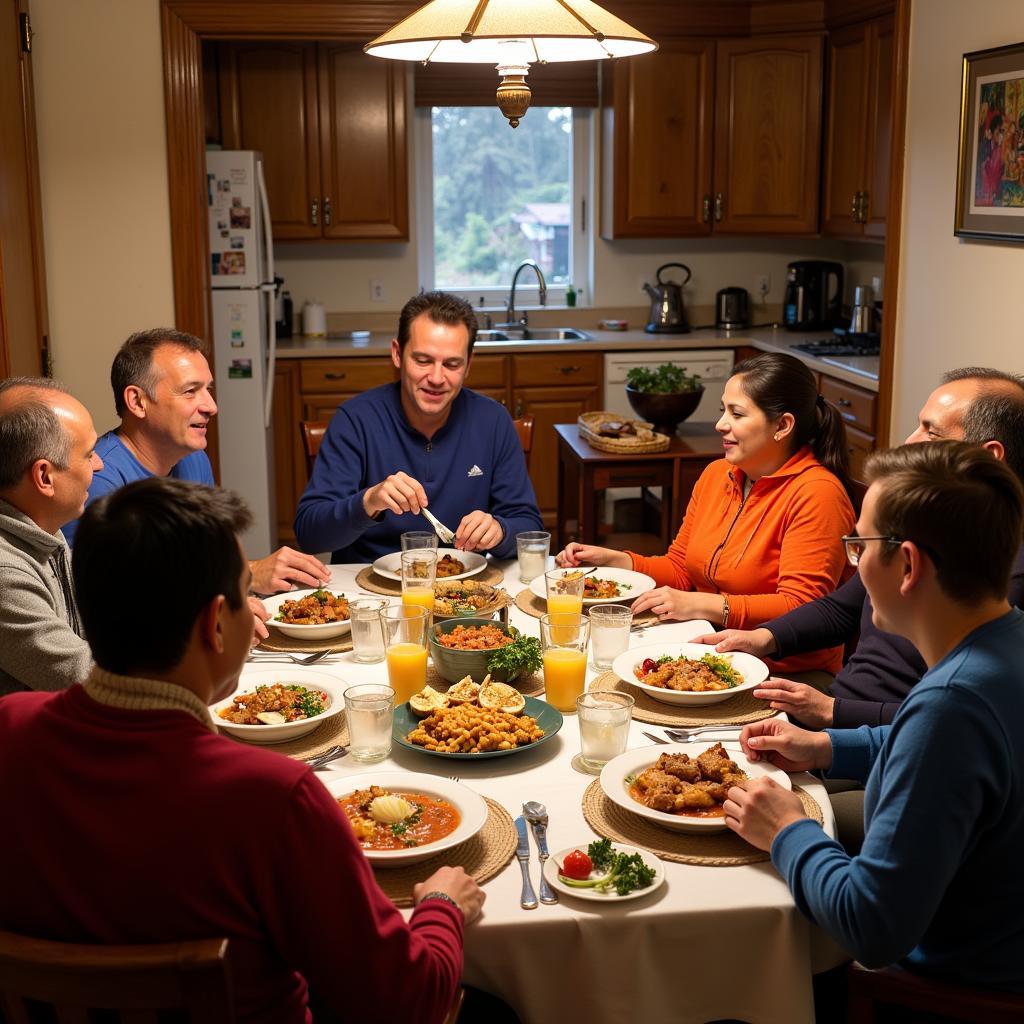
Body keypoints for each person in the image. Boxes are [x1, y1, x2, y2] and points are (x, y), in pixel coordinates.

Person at [0, 477, 484, 1023]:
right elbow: (409, 1000)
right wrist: (442, 907)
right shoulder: (272, 799)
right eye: (244, 595)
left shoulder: (9, 730)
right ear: (215, 623)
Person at [725, 442, 1024, 993]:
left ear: (908, 564)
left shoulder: (951, 705)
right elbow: (938, 752)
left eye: (859, 545)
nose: (851, 562)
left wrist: (788, 830)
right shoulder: (1004, 643)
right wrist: (828, 748)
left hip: (950, 988)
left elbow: (870, 925)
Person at [697, 368, 1024, 731]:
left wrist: (832, 715)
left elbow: (950, 720)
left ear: (989, 457)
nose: (910, 441)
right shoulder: (924, 520)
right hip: (841, 709)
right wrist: (762, 638)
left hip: (868, 733)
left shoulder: (1002, 574)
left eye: (931, 432)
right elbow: (842, 608)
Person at [557, 352, 856, 676]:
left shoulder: (818, 493)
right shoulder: (718, 474)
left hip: (786, 673)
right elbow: (681, 569)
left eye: (737, 414)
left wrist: (701, 604)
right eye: (723, 410)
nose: (720, 424)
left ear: (782, 426)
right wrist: (616, 561)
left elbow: (802, 607)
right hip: (710, 650)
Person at [61, 327, 330, 600]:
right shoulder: (96, 482)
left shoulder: (193, 459)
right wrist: (248, 573)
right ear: (137, 401)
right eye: (190, 391)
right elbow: (114, 601)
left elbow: (210, 556)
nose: (211, 406)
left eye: (208, 390)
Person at [294, 291, 543, 564]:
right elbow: (310, 534)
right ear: (397, 354)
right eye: (423, 360)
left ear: (468, 365)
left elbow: (529, 529)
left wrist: (500, 530)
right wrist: (369, 502)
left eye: (451, 364)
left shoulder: (493, 420)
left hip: (464, 591)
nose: (436, 378)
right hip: (368, 593)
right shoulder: (355, 421)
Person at [0, 377, 97, 694]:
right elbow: (88, 678)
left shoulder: (43, 526)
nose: (99, 464)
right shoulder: (6, 572)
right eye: (88, 454)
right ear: (44, 476)